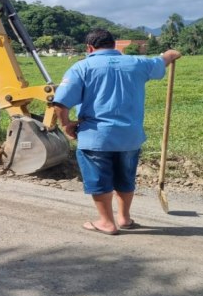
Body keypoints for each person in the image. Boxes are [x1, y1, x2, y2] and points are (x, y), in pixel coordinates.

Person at [53, 28, 181, 235]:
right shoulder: (137, 63)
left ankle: (106, 222)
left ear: (89, 48)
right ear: (114, 45)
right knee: (125, 177)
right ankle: (124, 218)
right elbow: (164, 60)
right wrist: (172, 53)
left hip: (96, 137)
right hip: (130, 137)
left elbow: (60, 103)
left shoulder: (81, 67)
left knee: (99, 179)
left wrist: (67, 124)